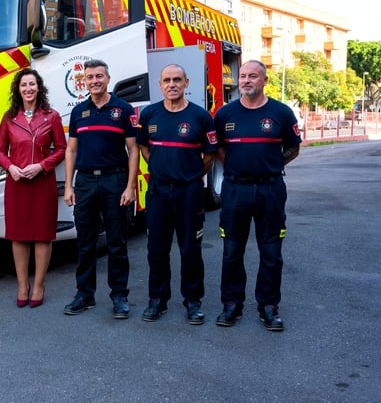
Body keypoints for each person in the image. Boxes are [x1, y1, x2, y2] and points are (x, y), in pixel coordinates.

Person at [213, 59, 301, 331]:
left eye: (253, 76)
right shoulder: (225, 114)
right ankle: (231, 305)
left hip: (270, 189)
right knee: (231, 251)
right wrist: (240, 168)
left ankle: (269, 306)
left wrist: (269, 167)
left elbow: (293, 149)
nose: (247, 81)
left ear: (264, 80)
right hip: (235, 188)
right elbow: (218, 148)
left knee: (272, 252)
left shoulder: (281, 113)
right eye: (243, 76)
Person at [137, 64, 217, 324]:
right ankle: (157, 301)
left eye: (177, 80)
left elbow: (210, 155)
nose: (172, 84)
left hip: (189, 192)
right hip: (159, 192)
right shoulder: (149, 115)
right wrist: (161, 169)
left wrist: (191, 174)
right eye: (167, 80)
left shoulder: (200, 117)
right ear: (160, 85)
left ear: (186, 83)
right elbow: (144, 149)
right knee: (156, 249)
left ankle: (193, 302)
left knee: (190, 249)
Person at [63, 59, 139, 319]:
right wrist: (68, 186)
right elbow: (71, 149)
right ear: (84, 82)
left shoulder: (123, 109)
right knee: (85, 243)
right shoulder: (78, 112)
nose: (94, 81)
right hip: (84, 182)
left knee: (117, 243)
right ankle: (84, 294)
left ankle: (119, 296)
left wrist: (130, 186)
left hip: (114, 181)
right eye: (90, 77)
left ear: (108, 78)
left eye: (99, 76)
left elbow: (134, 149)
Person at [0, 69, 66, 308]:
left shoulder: (52, 116)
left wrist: (42, 166)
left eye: (32, 84)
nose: (28, 89)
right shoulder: (8, 118)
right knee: (19, 235)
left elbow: (61, 149)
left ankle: (39, 285)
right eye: (24, 85)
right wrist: (10, 167)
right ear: (18, 89)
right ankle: (23, 285)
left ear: (39, 88)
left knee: (42, 235)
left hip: (42, 183)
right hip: (16, 184)